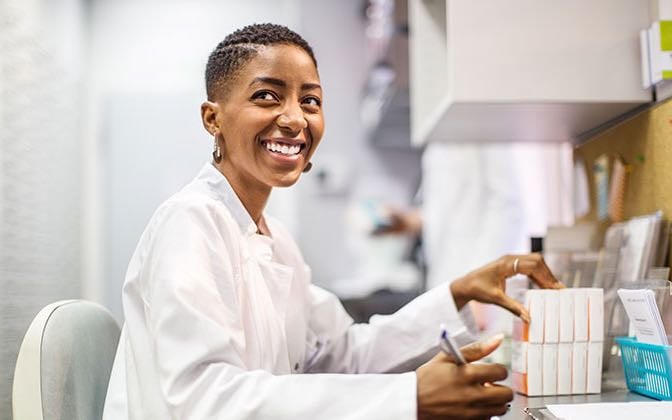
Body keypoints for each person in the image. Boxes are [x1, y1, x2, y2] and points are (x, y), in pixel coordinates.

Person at [102, 23, 563, 420]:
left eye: (311, 101)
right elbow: (205, 402)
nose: (294, 119)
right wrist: (407, 397)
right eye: (267, 96)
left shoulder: (273, 238)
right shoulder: (191, 223)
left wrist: (458, 292)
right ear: (212, 119)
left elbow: (346, 353)